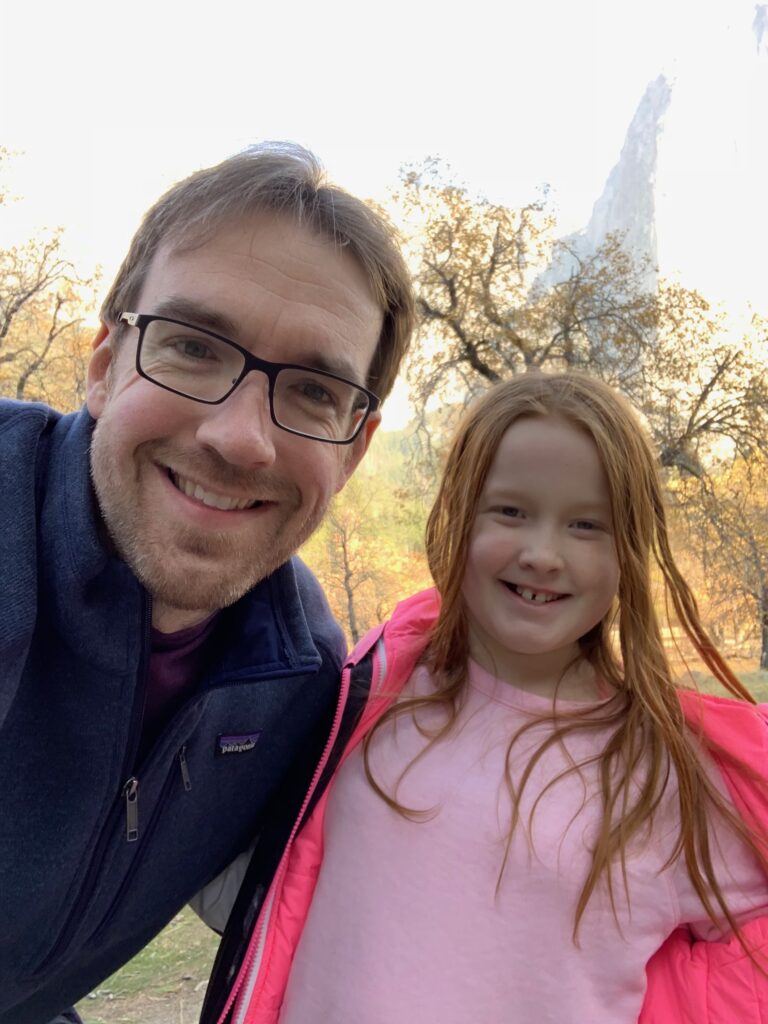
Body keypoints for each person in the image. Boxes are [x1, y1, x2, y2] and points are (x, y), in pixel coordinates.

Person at [0, 142, 415, 1024]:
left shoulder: (300, 681)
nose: (239, 438)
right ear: (105, 362)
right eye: (193, 346)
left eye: (311, 391)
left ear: (358, 447)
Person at [210, 372, 768, 1024]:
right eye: (510, 511)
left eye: (587, 525)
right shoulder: (372, 690)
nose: (542, 553)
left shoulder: (669, 773)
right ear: (459, 514)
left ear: (629, 551)